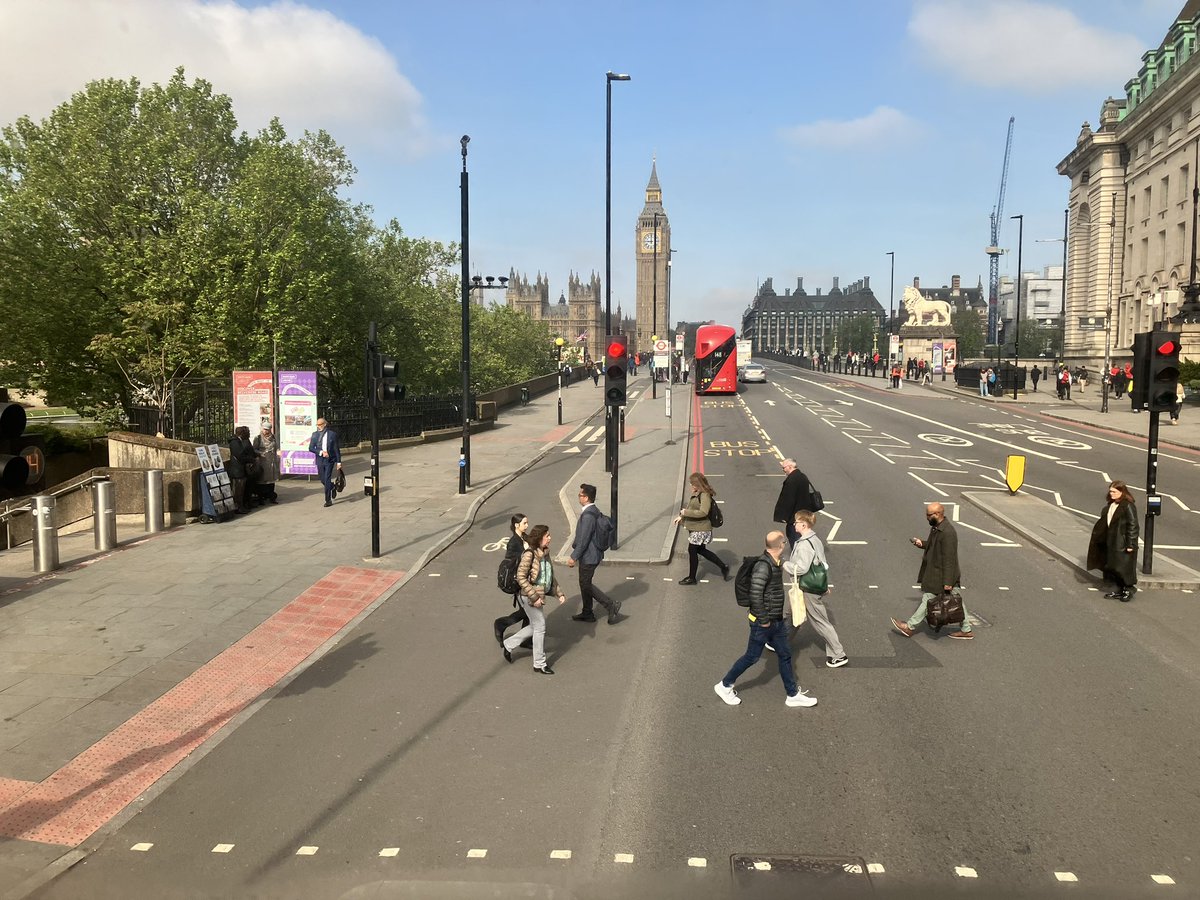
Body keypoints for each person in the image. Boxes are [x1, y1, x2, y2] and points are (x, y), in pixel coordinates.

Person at [713, 531, 817, 708]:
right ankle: (725, 685)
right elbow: (755, 594)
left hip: (775, 621)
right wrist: (763, 620)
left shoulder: (775, 562)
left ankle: (792, 695)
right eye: (784, 541)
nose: (786, 544)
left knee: (785, 654)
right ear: (780, 545)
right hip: (763, 622)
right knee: (751, 657)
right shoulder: (764, 566)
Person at [890, 502, 974, 639]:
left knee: (929, 598)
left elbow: (949, 558)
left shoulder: (948, 532)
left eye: (929, 515)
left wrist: (947, 581)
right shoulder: (937, 528)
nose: (926, 517)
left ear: (937, 514)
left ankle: (910, 627)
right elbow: (933, 545)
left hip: (943, 575)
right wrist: (922, 543)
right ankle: (966, 630)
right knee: (956, 600)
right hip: (938, 573)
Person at [783, 510, 847, 667]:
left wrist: (784, 564)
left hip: (807, 588)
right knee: (793, 615)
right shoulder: (815, 540)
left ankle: (838, 654)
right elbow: (822, 564)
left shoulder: (805, 544)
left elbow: (803, 568)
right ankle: (780, 642)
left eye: (796, 522)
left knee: (820, 621)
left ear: (804, 524)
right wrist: (824, 585)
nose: (794, 524)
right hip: (808, 586)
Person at [503, 524, 566, 674]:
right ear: (539, 538)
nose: (550, 538)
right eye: (547, 536)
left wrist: (559, 593)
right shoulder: (529, 554)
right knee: (540, 627)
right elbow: (521, 577)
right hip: (528, 596)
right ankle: (539, 663)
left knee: (535, 627)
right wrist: (534, 596)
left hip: (538, 596)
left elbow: (549, 576)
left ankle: (508, 644)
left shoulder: (545, 553)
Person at [567, 483, 622, 624]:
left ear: (586, 498)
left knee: (585, 584)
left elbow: (584, 539)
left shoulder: (588, 516)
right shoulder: (593, 510)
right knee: (584, 582)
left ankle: (610, 605)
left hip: (589, 555)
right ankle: (587, 612)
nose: (578, 497)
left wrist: (574, 556)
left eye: (580, 495)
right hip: (592, 553)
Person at [673, 472, 730, 585]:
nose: (690, 486)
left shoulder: (704, 495)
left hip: (701, 529)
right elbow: (692, 507)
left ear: (697, 484)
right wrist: (681, 516)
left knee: (692, 550)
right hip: (698, 528)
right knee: (701, 550)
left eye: (692, 484)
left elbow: (703, 512)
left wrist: (686, 512)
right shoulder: (698, 493)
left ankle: (692, 578)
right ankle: (723, 567)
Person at [1087, 481, 1140, 601]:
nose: (1111, 494)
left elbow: (1133, 525)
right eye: (1110, 491)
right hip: (1110, 541)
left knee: (1122, 568)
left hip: (1121, 542)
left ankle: (1128, 589)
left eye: (1114, 492)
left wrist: (1130, 544)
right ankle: (1119, 590)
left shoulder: (1127, 506)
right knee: (1112, 567)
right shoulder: (1110, 505)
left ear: (1122, 492)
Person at [494, 513, 532, 645]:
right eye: (524, 523)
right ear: (517, 525)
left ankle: (524, 639)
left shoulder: (525, 538)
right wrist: (524, 552)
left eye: (527, 523)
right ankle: (501, 624)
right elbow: (510, 562)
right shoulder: (513, 542)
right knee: (528, 611)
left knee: (527, 611)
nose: (527, 526)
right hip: (518, 580)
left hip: (527, 578)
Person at [773, 457, 815, 548]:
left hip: (795, 518)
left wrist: (784, 517)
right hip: (803, 515)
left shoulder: (791, 480)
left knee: (795, 541)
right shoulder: (802, 476)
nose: (783, 470)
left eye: (784, 468)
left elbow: (788, 500)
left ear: (790, 467)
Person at [307, 417, 342, 507]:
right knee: (322, 479)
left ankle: (328, 500)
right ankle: (332, 487)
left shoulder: (332, 435)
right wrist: (321, 452)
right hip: (320, 459)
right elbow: (311, 448)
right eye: (317, 425)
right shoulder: (314, 435)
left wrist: (339, 462)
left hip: (329, 460)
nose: (318, 426)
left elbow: (336, 449)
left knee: (327, 479)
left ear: (325, 424)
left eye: (320, 424)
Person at [226, 425, 257, 514]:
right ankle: (238, 507)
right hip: (237, 470)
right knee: (238, 490)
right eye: (248, 433)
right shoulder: (235, 443)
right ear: (243, 433)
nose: (249, 434)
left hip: (240, 469)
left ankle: (241, 505)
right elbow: (240, 456)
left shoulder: (239, 441)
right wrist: (251, 459)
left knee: (241, 489)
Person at [251, 423, 280, 504]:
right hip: (262, 461)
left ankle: (272, 497)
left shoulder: (273, 437)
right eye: (264, 429)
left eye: (267, 429)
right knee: (262, 480)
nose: (265, 431)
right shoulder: (258, 438)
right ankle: (261, 498)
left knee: (271, 481)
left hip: (271, 462)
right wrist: (261, 453)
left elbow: (276, 447)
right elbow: (254, 449)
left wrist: (277, 453)